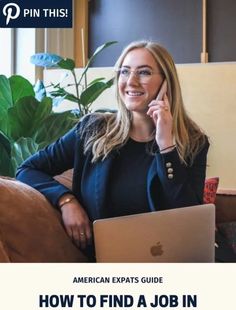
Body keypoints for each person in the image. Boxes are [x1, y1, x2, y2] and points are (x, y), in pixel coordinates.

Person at [16, 40, 209, 260]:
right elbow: (27, 169)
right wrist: (66, 201)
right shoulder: (92, 130)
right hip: (106, 267)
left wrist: (166, 146)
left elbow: (188, 219)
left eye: (144, 72)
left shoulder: (194, 142)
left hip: (169, 265)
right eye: (125, 71)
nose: (131, 81)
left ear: (166, 83)